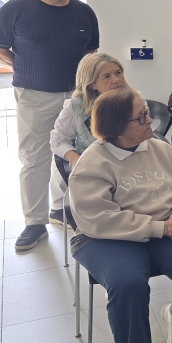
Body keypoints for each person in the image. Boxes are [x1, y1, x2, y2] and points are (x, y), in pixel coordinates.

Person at [69, 87, 172, 343]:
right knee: (127, 284)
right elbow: (99, 219)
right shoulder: (92, 165)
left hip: (165, 224)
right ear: (117, 128)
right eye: (141, 117)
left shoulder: (160, 148)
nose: (150, 120)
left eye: (146, 112)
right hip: (104, 237)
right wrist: (161, 227)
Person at [0, 0, 100, 251]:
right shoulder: (16, 9)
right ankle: (35, 222)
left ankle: (59, 208)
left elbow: (91, 52)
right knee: (34, 158)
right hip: (35, 95)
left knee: (70, 151)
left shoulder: (84, 12)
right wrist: (22, 65)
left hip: (77, 96)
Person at [49, 53, 132, 230]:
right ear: (92, 84)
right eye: (107, 76)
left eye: (118, 73)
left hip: (128, 166)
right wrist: (74, 159)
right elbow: (57, 140)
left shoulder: (133, 101)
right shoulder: (76, 106)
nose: (116, 79)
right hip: (95, 169)